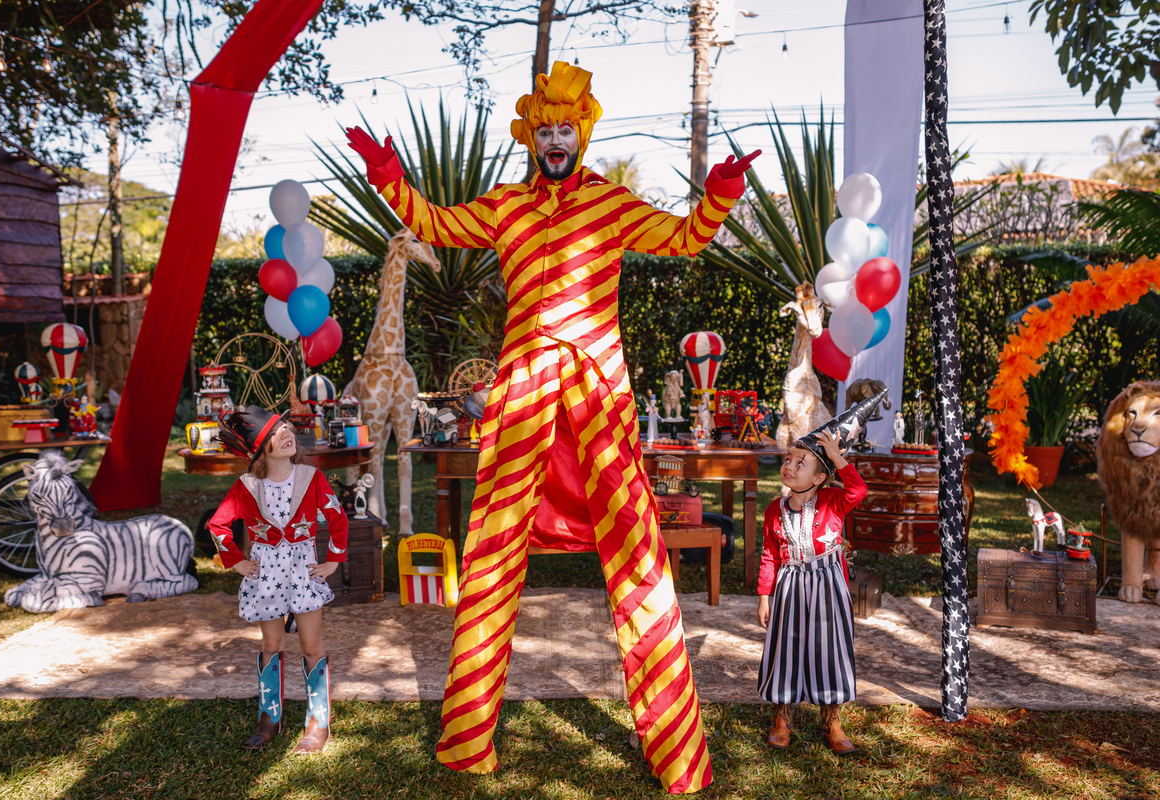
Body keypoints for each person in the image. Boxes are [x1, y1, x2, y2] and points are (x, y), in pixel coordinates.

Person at [345, 61, 759, 794]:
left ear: (583, 132)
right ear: (532, 137)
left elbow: (687, 237)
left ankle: (679, 755)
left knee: (639, 561)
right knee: (492, 556)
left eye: (567, 128)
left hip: (598, 394)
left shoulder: (614, 205)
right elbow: (436, 224)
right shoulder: (506, 205)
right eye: (546, 130)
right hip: (523, 392)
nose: (557, 140)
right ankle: (468, 738)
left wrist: (720, 193)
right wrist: (387, 174)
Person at [208, 405, 349, 754]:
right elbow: (217, 525)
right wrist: (237, 562)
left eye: (286, 427)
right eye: (274, 432)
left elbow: (338, 518)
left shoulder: (310, 477)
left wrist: (332, 562)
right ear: (260, 448)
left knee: (311, 645)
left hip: (303, 571)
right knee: (271, 645)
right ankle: (269, 718)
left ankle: (318, 724)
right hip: (265, 575)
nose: (285, 433)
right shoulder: (246, 486)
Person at [755, 392, 887, 756]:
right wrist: (765, 596)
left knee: (830, 650)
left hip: (828, 587)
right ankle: (783, 715)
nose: (790, 466)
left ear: (820, 476)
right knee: (786, 648)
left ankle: (832, 718)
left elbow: (858, 489)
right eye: (789, 459)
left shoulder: (833, 501)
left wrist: (837, 458)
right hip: (790, 586)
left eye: (801, 462)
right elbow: (769, 554)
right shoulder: (773, 510)